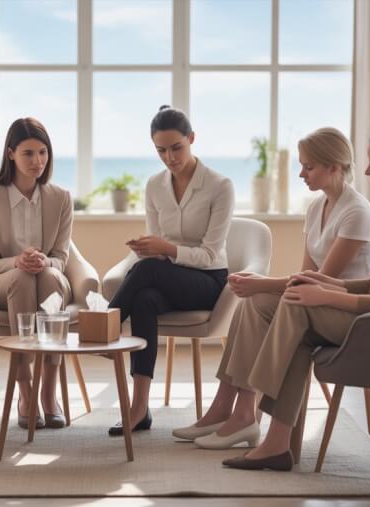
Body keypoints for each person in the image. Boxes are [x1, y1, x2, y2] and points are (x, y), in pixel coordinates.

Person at [220, 123, 370, 471]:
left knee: (296, 305)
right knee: (290, 309)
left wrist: (323, 296)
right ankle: (275, 443)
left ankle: (250, 409)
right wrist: (327, 285)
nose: (366, 171)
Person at [171, 127, 370, 449]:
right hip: (314, 299)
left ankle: (242, 414)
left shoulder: (357, 213)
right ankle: (228, 409)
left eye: (309, 167)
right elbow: (306, 274)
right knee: (252, 304)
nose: (301, 173)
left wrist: (263, 283)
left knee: (259, 299)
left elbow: (322, 279)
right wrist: (262, 288)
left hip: (342, 307)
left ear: (334, 167)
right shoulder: (315, 208)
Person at [107, 105, 235, 436]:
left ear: (191, 139)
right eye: (161, 150)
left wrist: (164, 250)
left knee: (148, 270)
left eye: (176, 147)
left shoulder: (220, 186)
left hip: (208, 282)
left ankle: (105, 327)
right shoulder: (154, 186)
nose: (170, 157)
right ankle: (139, 409)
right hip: (165, 277)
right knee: (146, 298)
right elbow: (157, 244)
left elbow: (209, 255)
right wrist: (150, 248)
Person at [0, 117, 73, 430]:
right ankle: (25, 390)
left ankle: (49, 392)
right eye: (28, 153)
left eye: (43, 152)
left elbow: (61, 257)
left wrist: (43, 262)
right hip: (1, 280)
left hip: (45, 275)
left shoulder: (61, 198)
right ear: (10, 154)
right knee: (21, 277)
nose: (37, 161)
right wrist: (18, 261)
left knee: (46, 277)